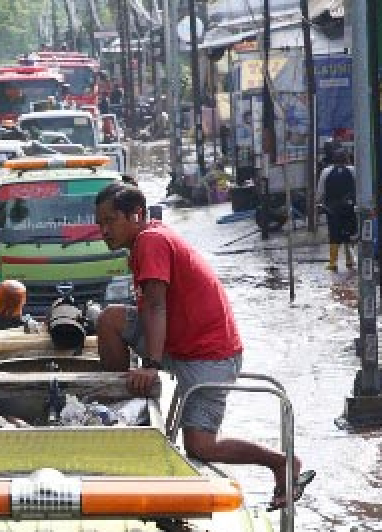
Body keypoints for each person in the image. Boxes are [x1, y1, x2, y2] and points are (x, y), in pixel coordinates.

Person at [93, 182, 313, 510]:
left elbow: (155, 307)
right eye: (100, 223)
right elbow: (150, 308)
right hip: (182, 343)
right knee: (109, 320)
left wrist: (150, 365)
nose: (104, 230)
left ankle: (280, 462)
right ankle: (119, 408)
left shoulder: (151, 241)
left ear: (136, 215)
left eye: (110, 221)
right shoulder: (147, 239)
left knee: (200, 446)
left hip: (208, 355)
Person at [316, 148, 357, 271]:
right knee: (348, 233)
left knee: (334, 234)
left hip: (332, 209)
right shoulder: (353, 170)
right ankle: (349, 261)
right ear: (346, 159)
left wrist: (318, 202)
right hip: (349, 207)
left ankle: (333, 262)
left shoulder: (326, 172)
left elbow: (320, 191)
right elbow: (358, 186)